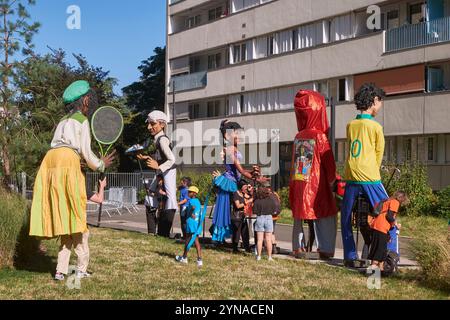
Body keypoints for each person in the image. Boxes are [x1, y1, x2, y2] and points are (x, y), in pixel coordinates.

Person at [30, 80, 115, 239]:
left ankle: (55, 228)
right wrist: (101, 164)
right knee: (73, 200)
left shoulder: (62, 120)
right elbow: (86, 152)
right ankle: (74, 231)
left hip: (49, 159)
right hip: (67, 158)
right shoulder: (82, 120)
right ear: (86, 100)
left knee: (56, 196)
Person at [341, 83, 389, 265]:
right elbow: (379, 152)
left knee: (346, 217)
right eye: (380, 102)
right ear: (374, 101)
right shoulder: (376, 127)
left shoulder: (351, 125)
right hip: (369, 177)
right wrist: (374, 171)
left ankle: (349, 256)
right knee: (387, 212)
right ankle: (385, 253)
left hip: (351, 175)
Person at [289, 90, 338, 259]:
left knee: (298, 217)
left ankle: (298, 247)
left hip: (299, 182)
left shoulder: (298, 136)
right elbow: (328, 162)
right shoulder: (320, 136)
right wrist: (333, 179)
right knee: (326, 213)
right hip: (317, 185)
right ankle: (324, 248)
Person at [211, 120, 269, 243]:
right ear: (227, 136)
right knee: (232, 211)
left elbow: (240, 170)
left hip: (235, 180)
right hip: (229, 182)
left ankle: (237, 240)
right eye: (236, 133)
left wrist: (254, 173)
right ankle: (223, 237)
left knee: (236, 212)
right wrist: (255, 177)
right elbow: (241, 170)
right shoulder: (230, 150)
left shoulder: (235, 149)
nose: (239, 136)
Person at [54, 178, 108, 281]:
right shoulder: (80, 187)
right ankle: (81, 271)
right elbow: (99, 199)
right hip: (78, 222)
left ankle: (59, 272)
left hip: (65, 222)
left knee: (65, 247)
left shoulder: (62, 187)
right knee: (82, 248)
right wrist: (102, 186)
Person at [137, 111, 177, 238]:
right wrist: (147, 158)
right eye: (149, 124)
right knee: (149, 198)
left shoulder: (162, 140)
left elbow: (172, 159)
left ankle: (163, 233)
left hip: (168, 172)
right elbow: (161, 158)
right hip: (162, 171)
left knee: (170, 200)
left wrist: (158, 166)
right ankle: (152, 231)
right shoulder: (158, 139)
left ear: (162, 125)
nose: (149, 127)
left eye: (152, 124)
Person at [368, 191, 409, 271]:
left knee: (379, 248)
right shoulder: (395, 202)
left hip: (377, 225)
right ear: (401, 198)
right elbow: (389, 216)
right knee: (380, 249)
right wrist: (396, 224)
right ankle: (372, 270)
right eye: (403, 200)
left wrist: (388, 233)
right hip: (382, 227)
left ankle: (381, 269)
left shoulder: (388, 200)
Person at [175, 186, 204, 267]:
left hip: (191, 224)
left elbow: (192, 208)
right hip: (196, 224)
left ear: (194, 193)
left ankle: (184, 258)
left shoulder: (191, 201)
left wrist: (191, 212)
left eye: (190, 192)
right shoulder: (198, 201)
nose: (188, 193)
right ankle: (199, 259)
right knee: (196, 241)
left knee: (187, 241)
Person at [253, 187, 277, 261]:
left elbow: (254, 211)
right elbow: (274, 210)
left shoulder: (257, 201)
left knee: (259, 239)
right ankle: (269, 257)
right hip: (269, 218)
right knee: (268, 239)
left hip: (260, 217)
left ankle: (259, 256)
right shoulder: (271, 200)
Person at [231, 182, 251, 253]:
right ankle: (235, 248)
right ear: (240, 187)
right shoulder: (235, 194)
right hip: (236, 216)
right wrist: (247, 202)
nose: (246, 188)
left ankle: (247, 248)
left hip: (243, 216)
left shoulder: (243, 193)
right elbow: (238, 206)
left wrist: (250, 191)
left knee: (245, 233)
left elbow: (250, 197)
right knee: (237, 233)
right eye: (244, 186)